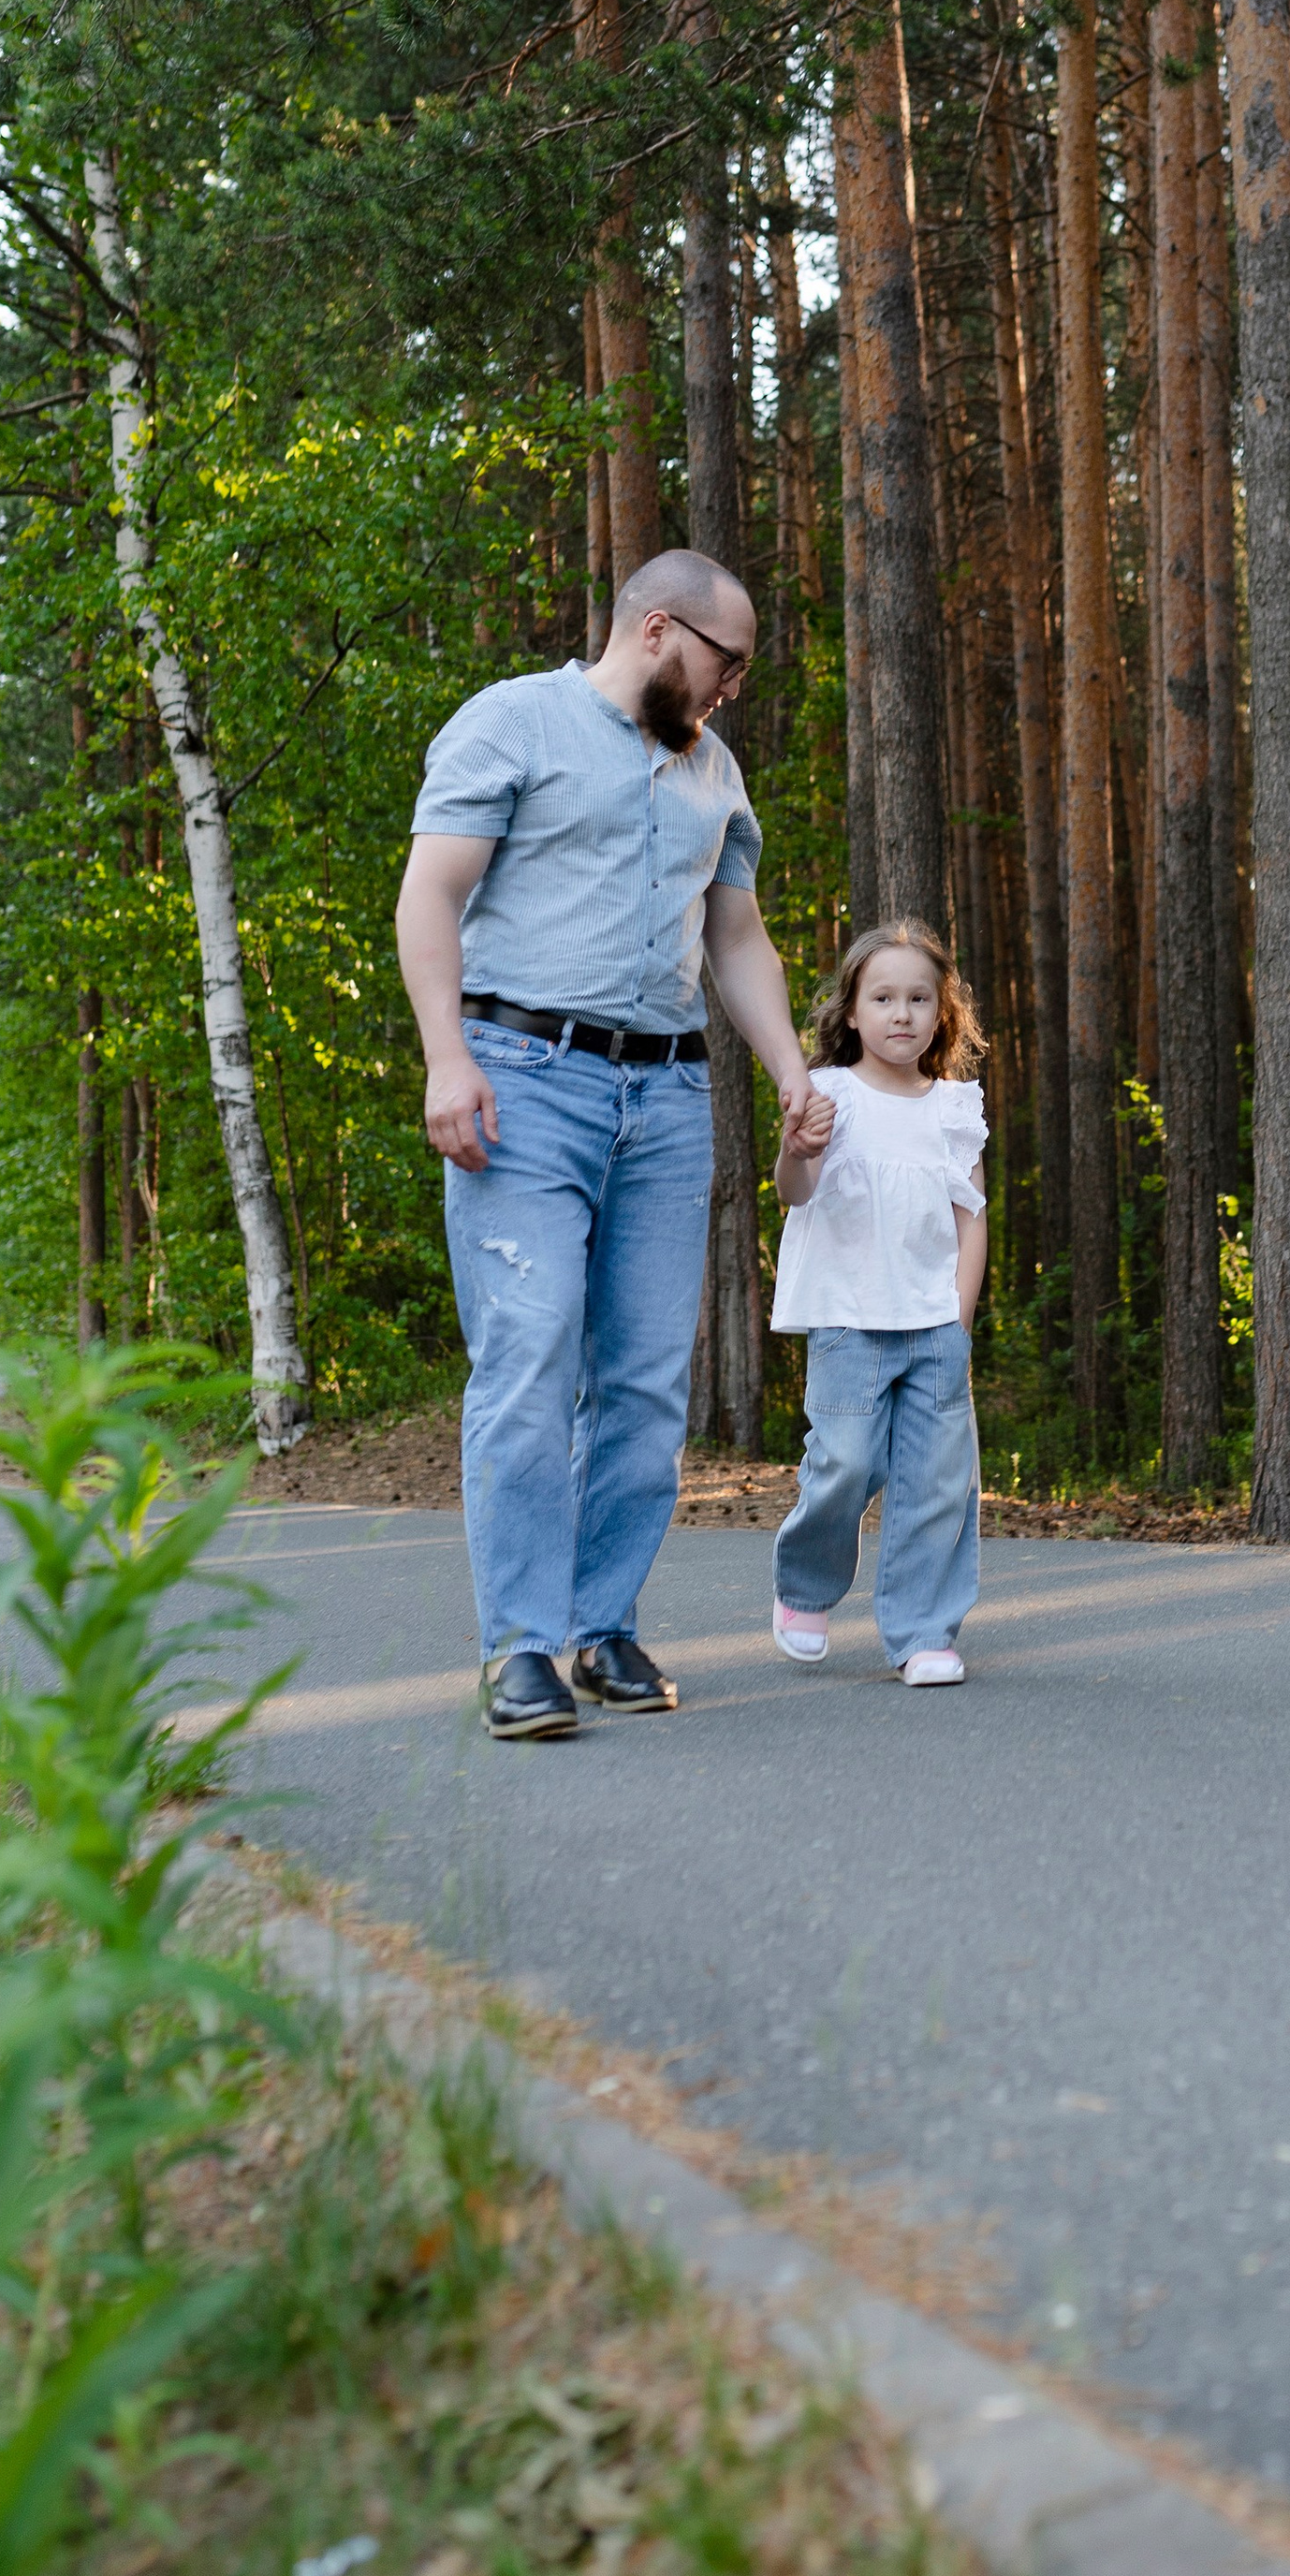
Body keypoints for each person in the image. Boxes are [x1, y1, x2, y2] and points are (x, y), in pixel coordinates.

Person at [395, 549, 811, 1742]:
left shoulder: (713, 769)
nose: (733, 686)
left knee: (642, 1377)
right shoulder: (513, 722)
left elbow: (736, 938)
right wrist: (445, 1057)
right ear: (659, 628)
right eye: (728, 661)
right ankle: (519, 1648)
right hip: (522, 1080)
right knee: (529, 1352)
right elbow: (430, 896)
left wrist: (791, 1072)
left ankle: (601, 1624)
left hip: (667, 1098)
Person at [767, 919, 989, 1687]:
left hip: (934, 1325)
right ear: (853, 1012)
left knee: (936, 1483)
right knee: (845, 1461)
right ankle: (805, 1590)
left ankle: (923, 1632)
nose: (902, 1013)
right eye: (884, 997)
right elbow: (794, 1193)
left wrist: (958, 1321)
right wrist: (796, 1149)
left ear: (941, 1014)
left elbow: (972, 1219)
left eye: (919, 998)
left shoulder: (954, 1107)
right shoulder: (829, 1092)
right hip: (849, 1320)